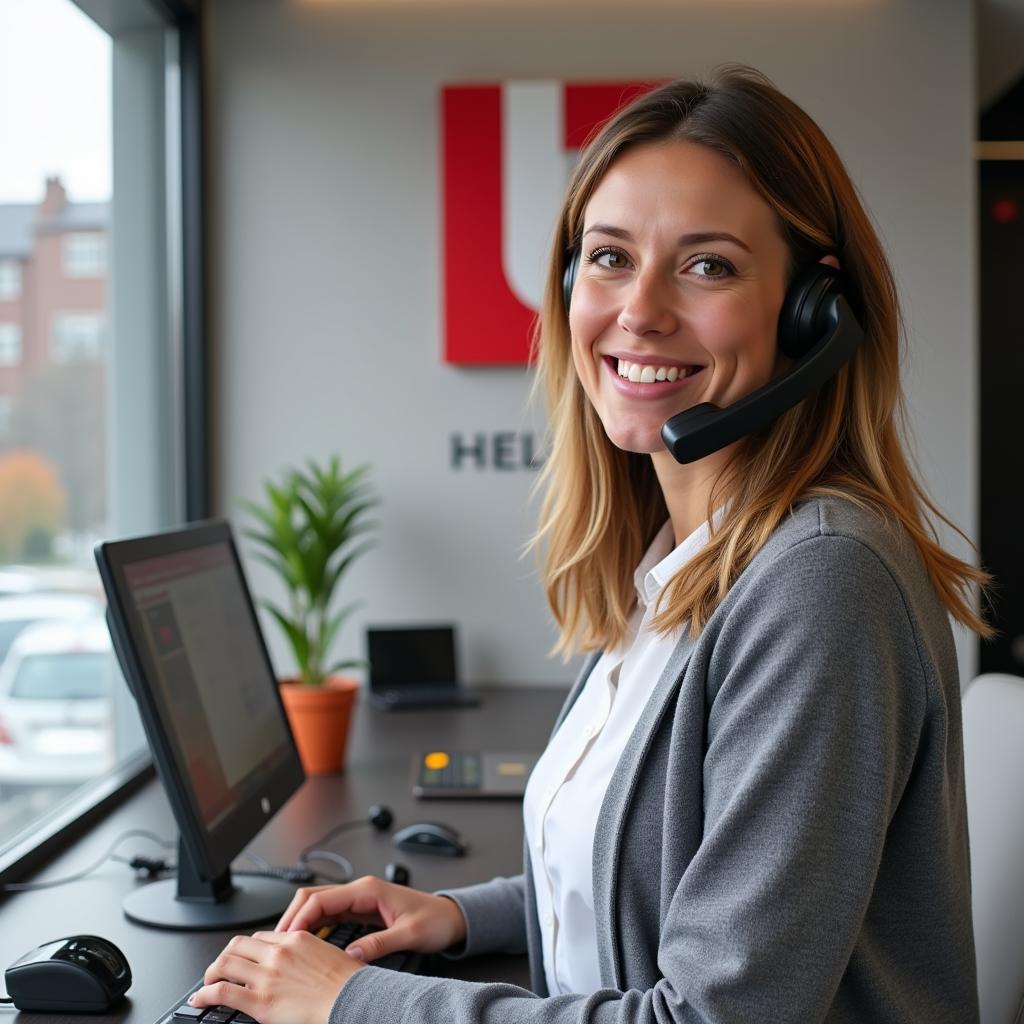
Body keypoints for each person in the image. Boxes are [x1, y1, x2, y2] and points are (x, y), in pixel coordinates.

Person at [191, 66, 988, 1024]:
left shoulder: (818, 582)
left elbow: (713, 1015)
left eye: (708, 265)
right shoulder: (677, 563)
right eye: (610, 257)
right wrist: (453, 915)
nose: (640, 310)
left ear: (814, 315)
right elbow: (662, 888)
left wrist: (353, 1002)